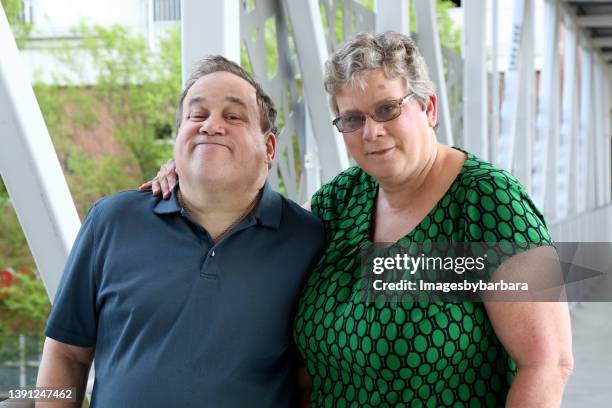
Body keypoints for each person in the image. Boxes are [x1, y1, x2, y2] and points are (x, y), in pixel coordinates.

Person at [147, 32, 573, 407]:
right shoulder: (337, 202)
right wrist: (190, 172)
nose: (371, 132)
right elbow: (255, 231)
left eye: (387, 109)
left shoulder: (489, 202)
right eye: (352, 119)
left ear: (428, 108)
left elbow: (548, 363)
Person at [36, 56, 324, 408]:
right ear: (178, 139)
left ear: (268, 148)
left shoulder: (308, 240)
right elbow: (65, 352)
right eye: (197, 115)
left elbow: (308, 379)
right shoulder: (110, 221)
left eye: (233, 116)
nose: (210, 126)